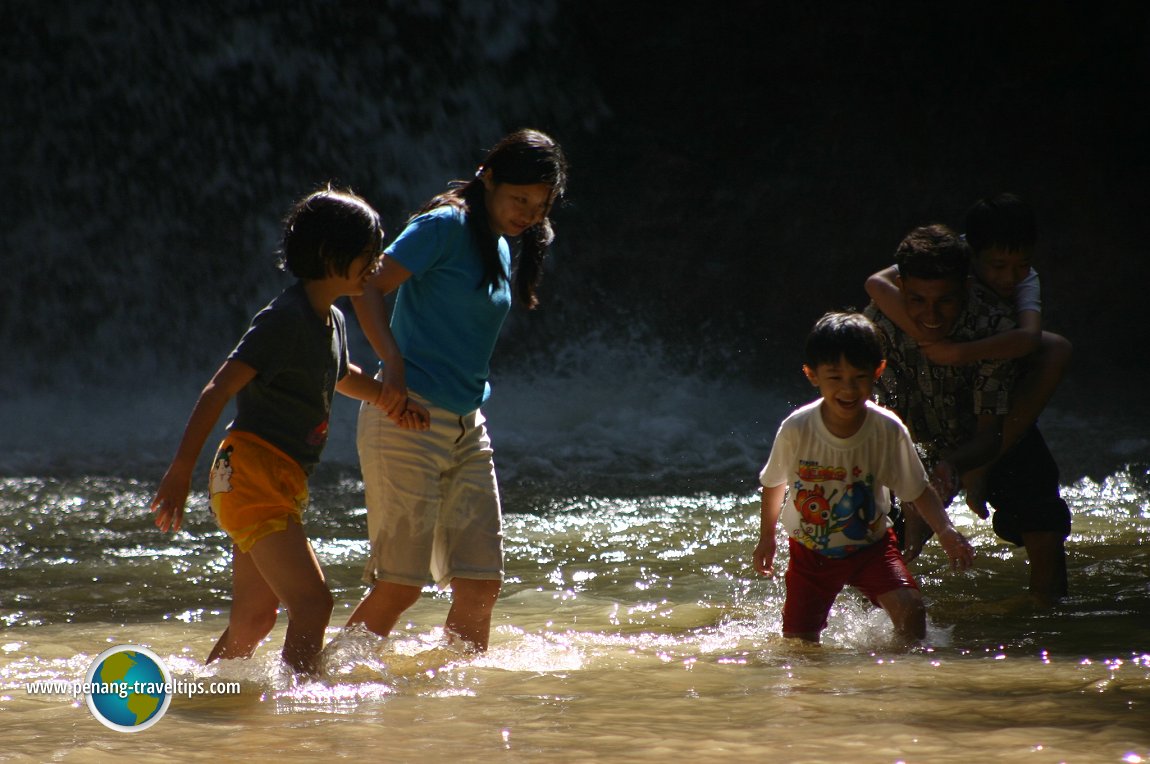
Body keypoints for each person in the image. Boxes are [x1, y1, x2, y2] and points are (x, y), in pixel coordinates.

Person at [150, 187, 424, 675]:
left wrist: (389, 399)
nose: (376, 263)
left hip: (276, 478)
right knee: (314, 603)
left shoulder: (332, 320)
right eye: (367, 253)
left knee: (253, 619)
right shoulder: (284, 320)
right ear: (328, 255)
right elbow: (218, 388)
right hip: (252, 472)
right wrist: (179, 471)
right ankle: (302, 709)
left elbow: (340, 376)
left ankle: (203, 697)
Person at [346, 128, 568, 652]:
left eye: (540, 205)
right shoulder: (444, 225)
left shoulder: (499, 247)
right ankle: (317, 688)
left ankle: (459, 712)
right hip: (407, 416)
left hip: (469, 426)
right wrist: (392, 368)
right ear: (487, 178)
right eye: (520, 199)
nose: (529, 214)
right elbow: (369, 284)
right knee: (399, 585)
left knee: (481, 584)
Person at [864, 224, 1071, 606]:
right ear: (903, 290)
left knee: (1039, 503)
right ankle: (870, 616)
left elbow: (990, 434)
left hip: (980, 434)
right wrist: (912, 483)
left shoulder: (993, 325)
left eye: (944, 301)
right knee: (863, 517)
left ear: (967, 288)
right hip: (906, 438)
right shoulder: (879, 325)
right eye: (917, 300)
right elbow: (875, 417)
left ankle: (1046, 606)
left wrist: (953, 467)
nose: (930, 315)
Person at [754, 311, 974, 644]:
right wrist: (766, 538)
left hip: (872, 546)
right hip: (810, 552)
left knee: (911, 611)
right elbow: (774, 483)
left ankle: (903, 683)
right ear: (812, 375)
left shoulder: (886, 429)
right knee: (800, 644)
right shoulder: (798, 428)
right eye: (835, 377)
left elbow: (918, 489)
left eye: (859, 377)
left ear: (878, 371)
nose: (848, 388)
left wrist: (945, 530)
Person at [864, 193, 1072, 512]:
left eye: (1021, 265)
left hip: (993, 361)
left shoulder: (1023, 280)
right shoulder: (947, 256)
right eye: (998, 266)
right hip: (935, 373)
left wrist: (957, 352)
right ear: (972, 255)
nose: (1009, 277)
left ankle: (983, 467)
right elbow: (876, 283)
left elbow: (1029, 338)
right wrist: (925, 332)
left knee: (1057, 348)